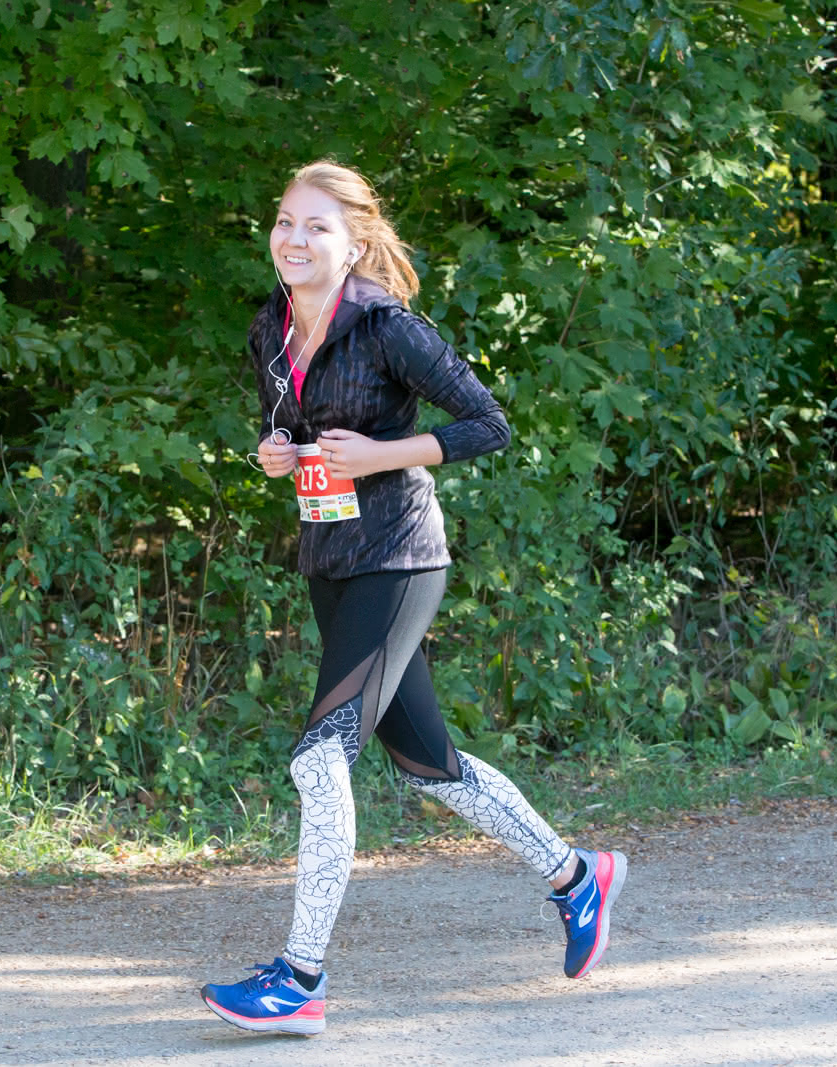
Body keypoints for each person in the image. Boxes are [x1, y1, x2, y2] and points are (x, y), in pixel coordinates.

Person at [199, 160, 628, 1036]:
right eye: (285, 221)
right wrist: (274, 452)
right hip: (331, 559)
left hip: (399, 561)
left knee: (320, 759)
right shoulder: (270, 331)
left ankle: (300, 978)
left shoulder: (389, 327)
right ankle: (576, 875)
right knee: (429, 764)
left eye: (316, 225)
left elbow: (488, 423)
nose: (294, 238)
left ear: (354, 239)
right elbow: (290, 430)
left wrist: (388, 454)